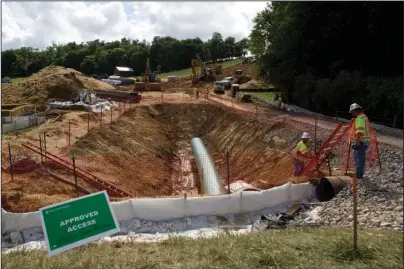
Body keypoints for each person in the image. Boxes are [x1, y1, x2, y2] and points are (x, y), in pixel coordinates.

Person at [349, 103, 371, 181]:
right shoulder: (363, 117)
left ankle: (359, 175)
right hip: (363, 141)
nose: (352, 113)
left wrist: (357, 141)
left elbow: (360, 131)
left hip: (361, 141)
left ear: (355, 110)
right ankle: (358, 173)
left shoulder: (360, 118)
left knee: (359, 158)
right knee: (359, 158)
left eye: (352, 112)